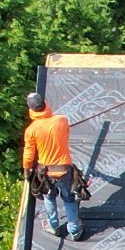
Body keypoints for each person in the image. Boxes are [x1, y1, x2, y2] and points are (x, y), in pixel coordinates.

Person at [21, 92, 83, 240]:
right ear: (45, 104)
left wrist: (26, 170)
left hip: (46, 172)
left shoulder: (31, 130)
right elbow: (64, 137)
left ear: (31, 109)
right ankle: (74, 230)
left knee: (49, 197)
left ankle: (53, 226)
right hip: (64, 170)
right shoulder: (62, 120)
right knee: (69, 198)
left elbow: (29, 154)